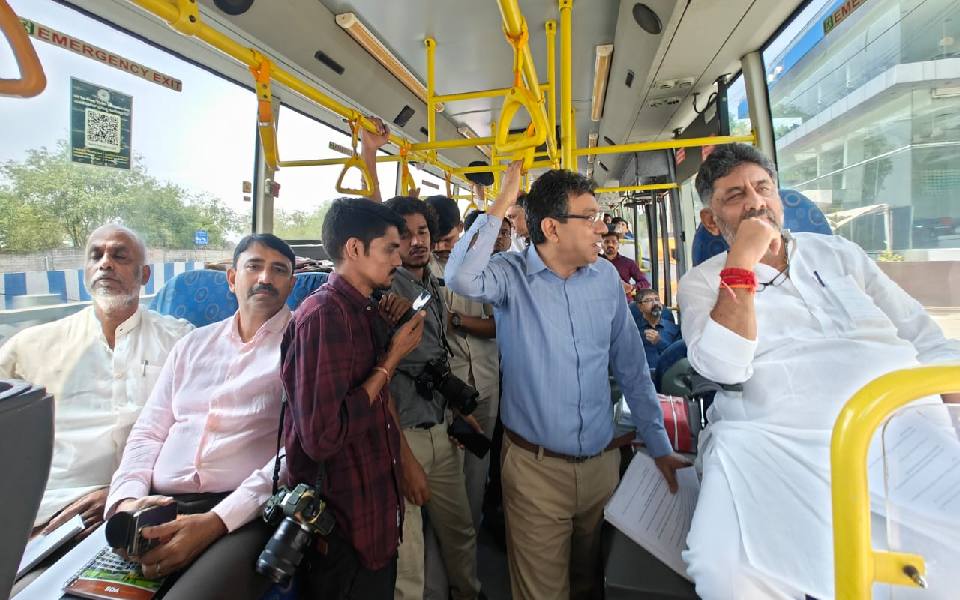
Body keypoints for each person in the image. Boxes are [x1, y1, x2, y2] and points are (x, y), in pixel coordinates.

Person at [679, 143, 960, 600]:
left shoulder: (840, 254)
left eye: (763, 188)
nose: (755, 202)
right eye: (734, 196)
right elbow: (723, 365)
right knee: (721, 569)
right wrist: (742, 264)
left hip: (900, 423)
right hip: (775, 441)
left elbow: (924, 336)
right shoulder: (703, 281)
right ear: (712, 221)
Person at [446, 162, 688, 600]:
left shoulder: (607, 281)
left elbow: (632, 369)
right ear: (553, 228)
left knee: (591, 582)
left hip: (601, 467)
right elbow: (460, 275)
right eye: (590, 216)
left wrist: (659, 445)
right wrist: (501, 202)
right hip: (535, 470)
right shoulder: (509, 274)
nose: (603, 227)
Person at [104, 233, 298, 599]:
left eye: (279, 270)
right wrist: (126, 500)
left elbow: (296, 452)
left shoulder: (302, 345)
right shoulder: (192, 345)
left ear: (291, 283)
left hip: (241, 511)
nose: (265, 279)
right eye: (254, 266)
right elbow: (148, 432)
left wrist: (215, 522)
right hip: (158, 501)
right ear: (232, 277)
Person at [0, 225, 191, 552]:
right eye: (96, 256)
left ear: (144, 275)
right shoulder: (31, 346)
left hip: (135, 506)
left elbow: (194, 434)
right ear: (85, 271)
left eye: (119, 256)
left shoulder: (181, 340)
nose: (105, 263)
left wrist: (119, 493)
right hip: (44, 509)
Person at [282, 197, 426, 599]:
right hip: (341, 530)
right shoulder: (324, 317)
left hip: (373, 515)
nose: (398, 261)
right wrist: (392, 358)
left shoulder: (365, 312)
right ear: (354, 249)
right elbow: (323, 436)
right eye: (389, 249)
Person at [382, 196, 482, 600]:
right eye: (403, 235)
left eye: (422, 231)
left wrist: (459, 409)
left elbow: (439, 356)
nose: (416, 241)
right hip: (405, 434)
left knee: (460, 530)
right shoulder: (385, 291)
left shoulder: (432, 283)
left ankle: (469, 591)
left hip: (441, 427)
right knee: (408, 551)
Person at [631, 288, 680, 376]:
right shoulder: (633, 331)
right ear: (640, 307)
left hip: (668, 377)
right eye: (649, 300)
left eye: (657, 299)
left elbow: (678, 356)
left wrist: (659, 342)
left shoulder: (674, 329)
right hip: (640, 377)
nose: (655, 303)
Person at [601, 225, 649, 301]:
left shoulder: (628, 263)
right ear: (602, 245)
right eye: (606, 242)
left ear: (618, 245)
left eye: (614, 242)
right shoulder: (594, 262)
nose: (610, 245)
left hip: (623, 300)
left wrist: (632, 287)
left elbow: (645, 282)